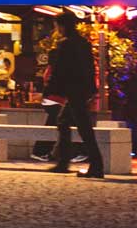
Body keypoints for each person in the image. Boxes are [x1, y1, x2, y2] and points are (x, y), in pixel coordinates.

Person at [44, 11, 105, 178]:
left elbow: (60, 69)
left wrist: (49, 88)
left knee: (83, 127)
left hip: (75, 90)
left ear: (62, 26)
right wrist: (91, 89)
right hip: (82, 90)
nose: (56, 29)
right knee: (65, 122)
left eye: (56, 26)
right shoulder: (83, 43)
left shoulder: (67, 44)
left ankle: (95, 165)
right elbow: (90, 67)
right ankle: (67, 162)